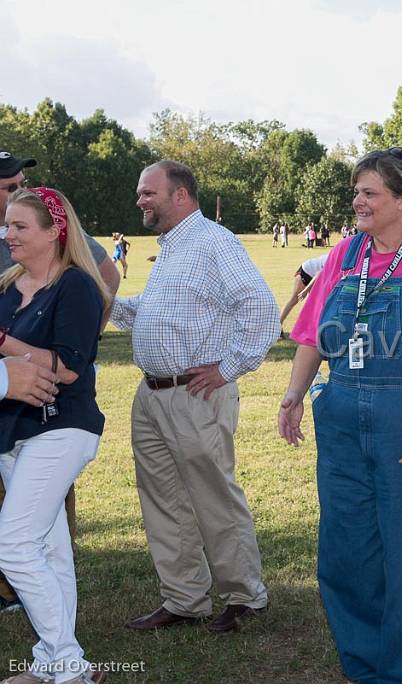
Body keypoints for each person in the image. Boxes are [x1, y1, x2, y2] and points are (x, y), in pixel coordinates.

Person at [278, 147, 402, 683]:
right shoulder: (345, 254)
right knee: (347, 557)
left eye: (370, 193)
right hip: (341, 420)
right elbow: (314, 332)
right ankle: (366, 670)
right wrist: (295, 393)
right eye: (357, 192)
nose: (358, 202)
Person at [111, 160, 279, 634]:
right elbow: (159, 309)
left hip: (195, 395)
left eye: (148, 193)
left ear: (180, 196)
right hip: (152, 396)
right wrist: (110, 306)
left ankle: (245, 596)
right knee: (163, 500)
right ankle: (184, 599)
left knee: (212, 498)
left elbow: (260, 307)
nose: (140, 200)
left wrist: (229, 367)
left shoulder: (212, 242)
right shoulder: (171, 248)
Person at [0, 151, 120, 616]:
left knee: (15, 544)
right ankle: (56, 661)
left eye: (19, 227)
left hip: (58, 426)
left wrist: (7, 343)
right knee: (52, 550)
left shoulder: (75, 287)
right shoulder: (10, 285)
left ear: (54, 232)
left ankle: (65, 662)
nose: (9, 235)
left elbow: (68, 368)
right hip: (12, 429)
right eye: (8, 225)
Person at [279, 253, 329, 328]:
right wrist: (305, 291)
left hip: (314, 277)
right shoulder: (333, 258)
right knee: (294, 299)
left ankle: (305, 327)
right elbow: (318, 274)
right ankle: (277, 326)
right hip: (306, 271)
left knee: (313, 303)